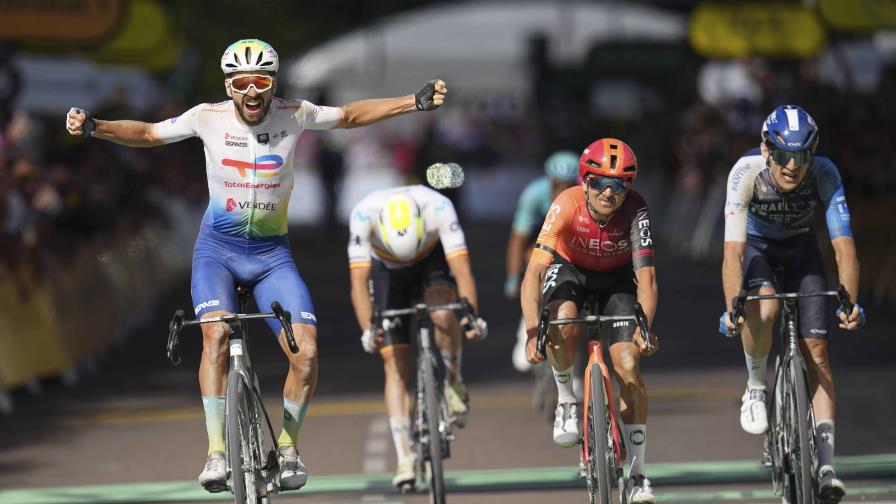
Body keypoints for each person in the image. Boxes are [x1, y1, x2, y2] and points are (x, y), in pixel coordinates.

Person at [64, 38, 448, 493]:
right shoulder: (206, 117)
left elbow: (348, 116)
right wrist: (95, 126)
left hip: (271, 257)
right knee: (216, 335)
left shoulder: (295, 113)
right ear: (229, 85)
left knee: (305, 354)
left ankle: (287, 447)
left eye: (260, 81)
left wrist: (412, 101)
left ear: (273, 83)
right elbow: (148, 134)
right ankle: (215, 453)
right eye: (241, 82)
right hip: (217, 253)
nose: (251, 91)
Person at [720, 104, 864, 502]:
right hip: (756, 249)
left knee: (817, 351)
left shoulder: (825, 173)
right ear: (766, 150)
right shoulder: (744, 172)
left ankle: (828, 464)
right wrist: (733, 305)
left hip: (802, 251)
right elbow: (732, 253)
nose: (792, 166)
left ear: (813, 153)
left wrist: (849, 300)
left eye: (802, 156)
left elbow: (844, 247)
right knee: (763, 308)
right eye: (783, 155)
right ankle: (754, 386)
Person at [522, 138, 659, 503]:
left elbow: (646, 277)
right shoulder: (565, 203)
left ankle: (639, 473)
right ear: (585, 181)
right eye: (600, 182)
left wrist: (644, 325)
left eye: (619, 185)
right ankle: (567, 398)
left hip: (617, 281)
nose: (609, 192)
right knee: (562, 322)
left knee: (628, 366)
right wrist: (533, 329)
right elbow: (535, 271)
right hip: (570, 272)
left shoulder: (637, 209)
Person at [347, 184, 486, 489]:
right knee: (395, 363)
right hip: (386, 272)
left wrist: (471, 317)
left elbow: (462, 271)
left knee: (443, 314)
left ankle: (452, 379)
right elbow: (359, 284)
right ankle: (404, 457)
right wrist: (368, 330)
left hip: (431, 261)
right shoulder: (363, 214)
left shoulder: (438, 208)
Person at [505, 150, 580, 373]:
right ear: (548, 180)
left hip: (569, 238)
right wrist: (512, 276)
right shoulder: (534, 195)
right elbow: (517, 240)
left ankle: (572, 369)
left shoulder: (584, 196)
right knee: (534, 260)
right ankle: (527, 328)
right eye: (557, 185)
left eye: (568, 185)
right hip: (540, 235)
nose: (562, 191)